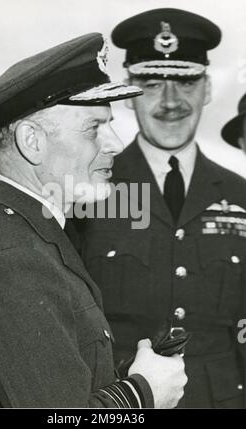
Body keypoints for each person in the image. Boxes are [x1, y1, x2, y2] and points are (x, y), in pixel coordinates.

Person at [0, 33, 187, 408]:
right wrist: (143, 395)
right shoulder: (11, 260)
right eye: (94, 127)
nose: (115, 144)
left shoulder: (27, 231)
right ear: (33, 141)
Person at [75, 10, 246, 408]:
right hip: (120, 402)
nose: (170, 102)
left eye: (186, 82)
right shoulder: (87, 189)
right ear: (128, 90)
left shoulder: (241, 196)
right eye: (151, 84)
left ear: (206, 89)